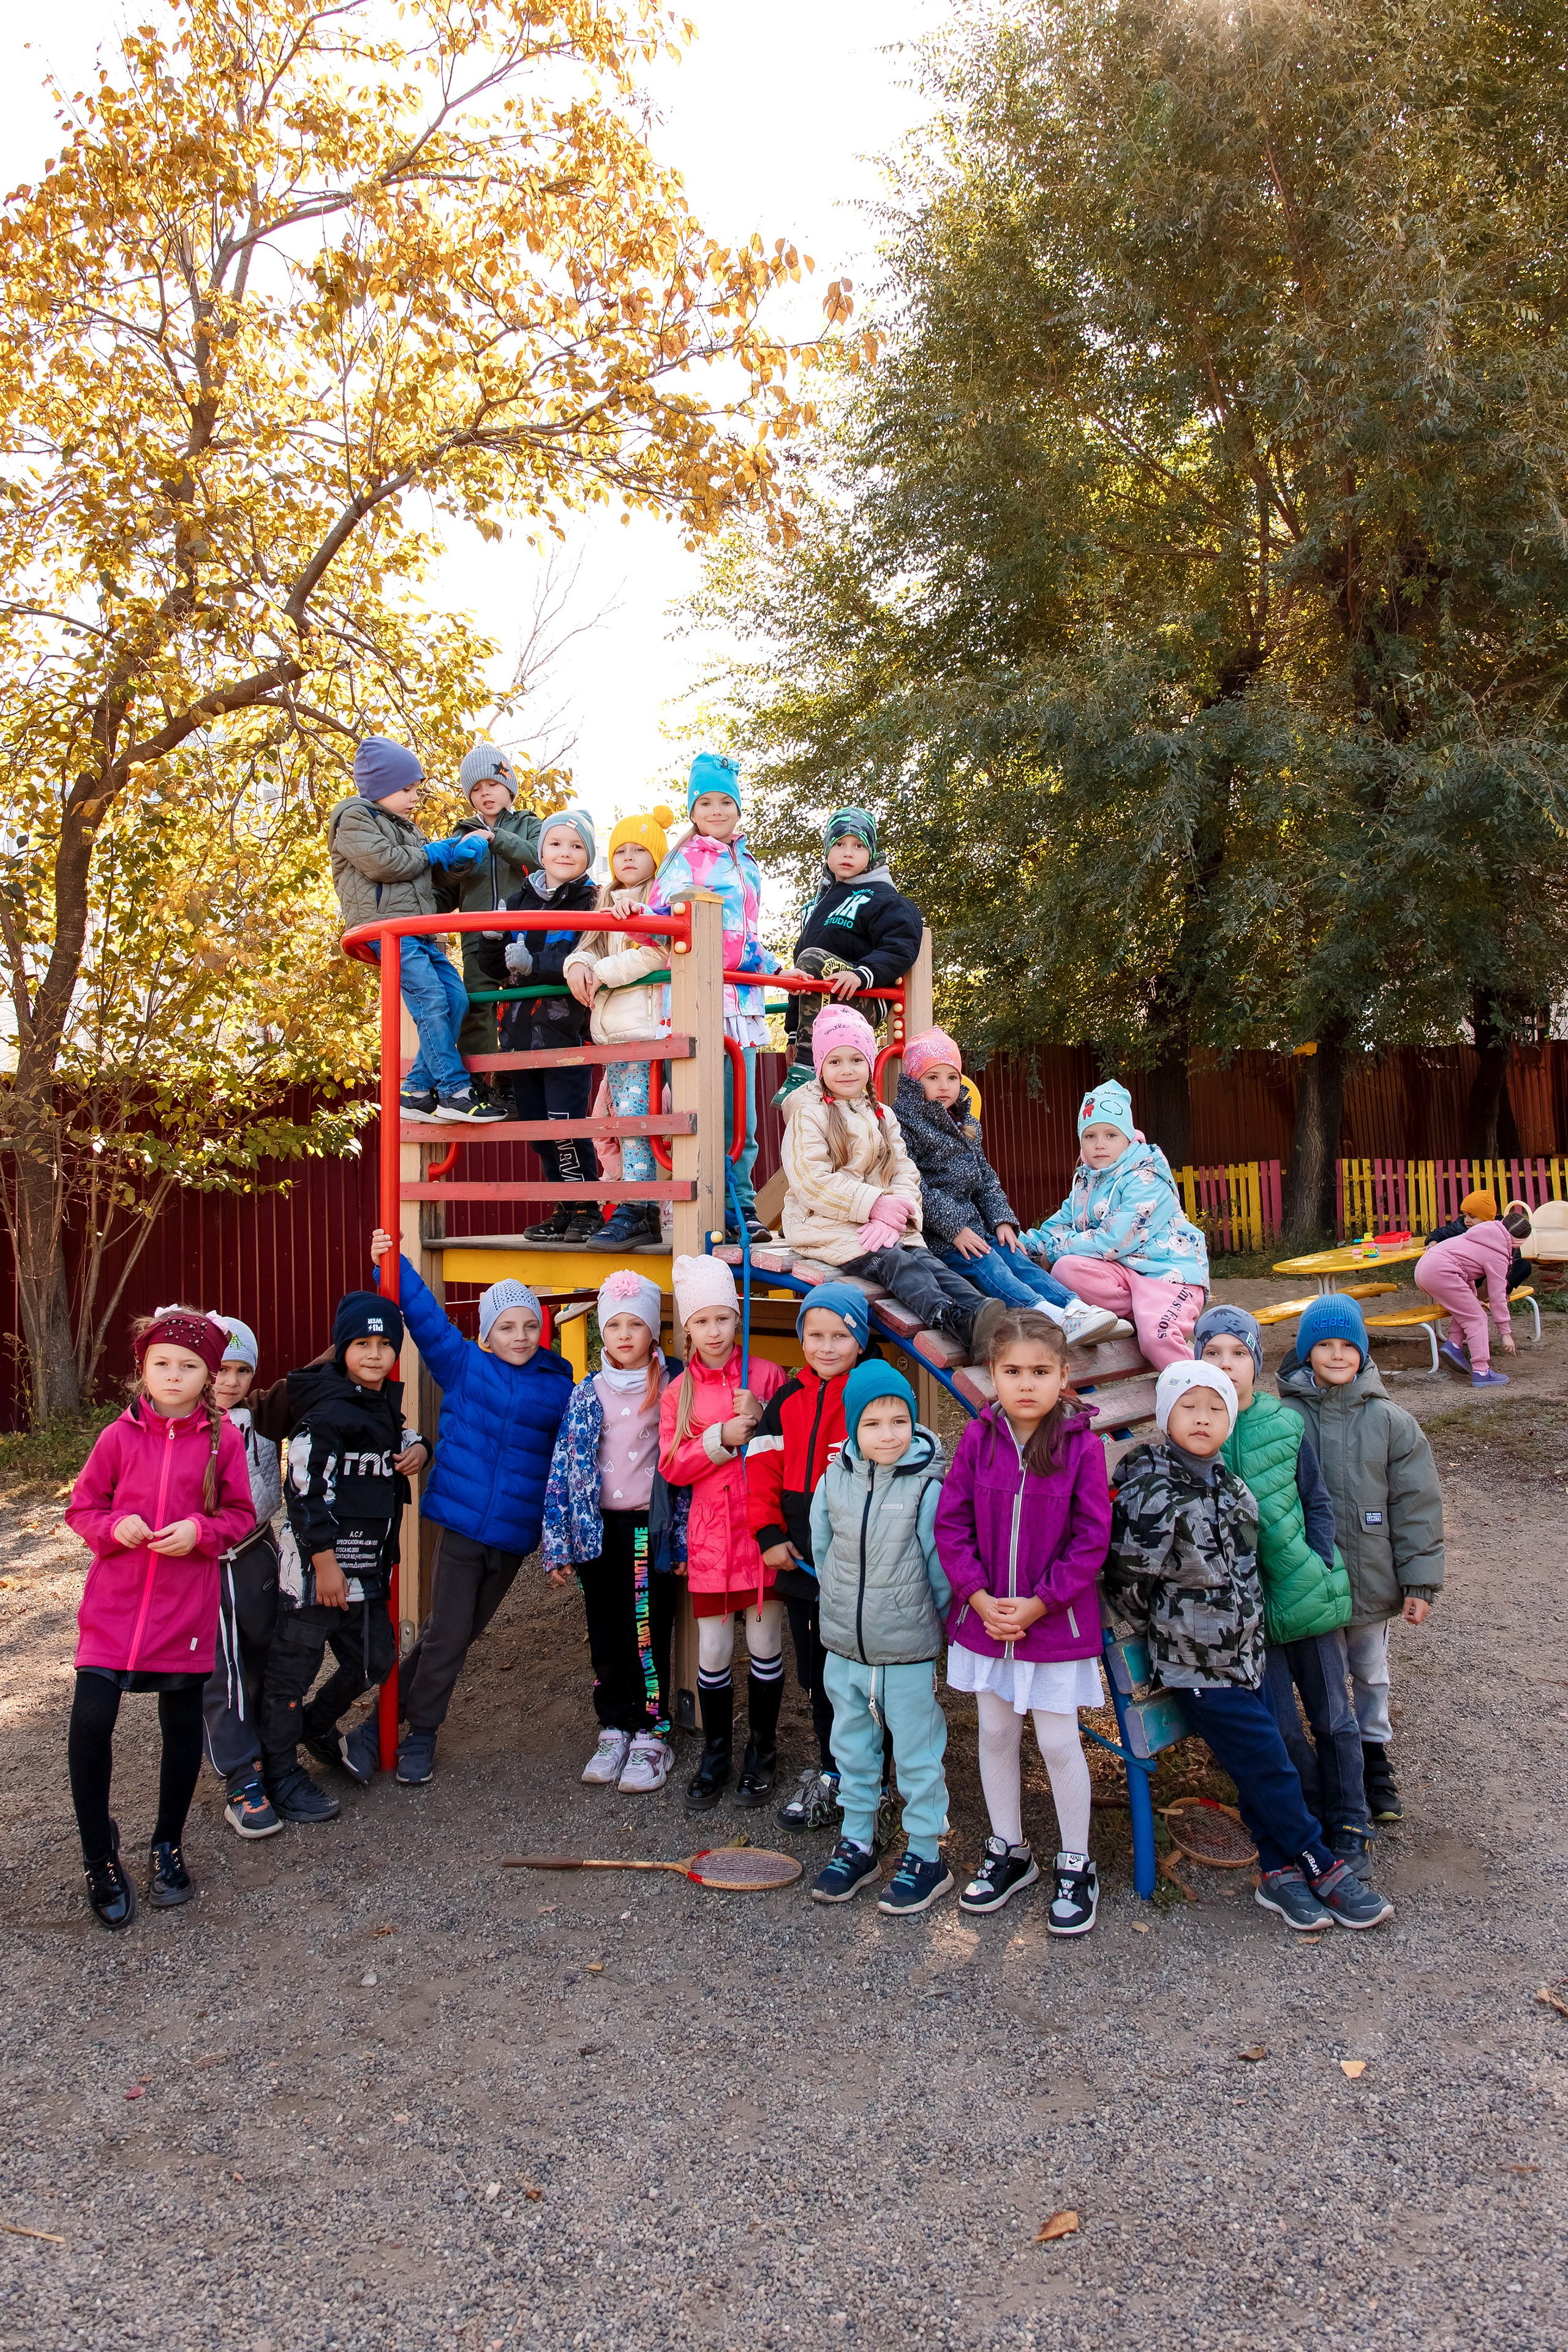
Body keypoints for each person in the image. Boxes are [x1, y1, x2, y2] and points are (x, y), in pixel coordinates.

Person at [1104, 1362, 1393, 1932]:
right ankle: (1322, 1863)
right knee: (1271, 1764)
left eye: (1216, 1409)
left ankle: (1277, 1872)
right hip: (1196, 1666)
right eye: (1189, 1408)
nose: (1204, 1419)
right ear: (1166, 1416)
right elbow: (1129, 1581)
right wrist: (1176, 1633)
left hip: (1247, 1653)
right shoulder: (1152, 1492)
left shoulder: (1231, 1486)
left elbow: (1248, 1566)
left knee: (1261, 1763)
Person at [65, 1308, 253, 1929]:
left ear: (209, 1376)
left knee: (181, 1731)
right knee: (91, 1724)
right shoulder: (117, 1437)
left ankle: (166, 1844)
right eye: (163, 1364)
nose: (174, 1377)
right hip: (114, 1612)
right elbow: (83, 1509)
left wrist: (200, 1531)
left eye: (190, 1367)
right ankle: (99, 1856)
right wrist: (113, 1528)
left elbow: (239, 1517)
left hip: (184, 1613)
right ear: (143, 1369)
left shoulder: (221, 1440)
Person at [369, 1232, 573, 1786]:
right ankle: (419, 1733)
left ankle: (382, 1721)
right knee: (449, 1634)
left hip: (510, 1539)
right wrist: (392, 1262)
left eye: (531, 1326)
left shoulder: (559, 1389)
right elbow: (426, 1318)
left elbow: (574, 1459)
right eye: (507, 1327)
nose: (521, 1336)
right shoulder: (463, 1366)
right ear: (485, 1335)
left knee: (451, 1633)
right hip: (461, 1527)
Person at [935, 1310, 1111, 1935]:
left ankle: (1075, 1861)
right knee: (995, 1733)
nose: (1026, 1384)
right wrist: (977, 1597)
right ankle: (1008, 1849)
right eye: (1012, 1372)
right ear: (992, 1375)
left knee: (1059, 1741)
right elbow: (951, 1526)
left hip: (1051, 1624)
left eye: (1040, 1372)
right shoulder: (978, 1440)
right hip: (986, 1620)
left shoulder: (1080, 1446)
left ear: (1064, 1375)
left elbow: (1091, 1541)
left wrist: (1039, 1604)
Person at [1193, 1305, 1371, 1879]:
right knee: (1282, 1730)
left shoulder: (1286, 1422)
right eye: (1212, 1353)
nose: (1227, 1365)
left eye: (1238, 1354)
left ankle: (1351, 1821)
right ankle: (1311, 1820)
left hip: (1306, 1595)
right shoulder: (1195, 1429)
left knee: (1335, 1718)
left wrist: (1320, 1561)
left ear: (1256, 1362)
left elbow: (1316, 1501)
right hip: (1248, 1618)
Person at [1276, 1294, 1444, 1826]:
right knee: (1324, 1678)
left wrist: (1419, 1582)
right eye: (1324, 1345)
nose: (1337, 1354)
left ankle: (1374, 1756)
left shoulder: (1391, 1422)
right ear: (1306, 1354)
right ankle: (1335, 1760)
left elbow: (1416, 1504)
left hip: (1371, 1576)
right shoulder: (1285, 1417)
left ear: (1362, 1350)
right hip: (1312, 1580)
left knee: (1370, 1671)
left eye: (1348, 1344)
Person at [258, 1291, 420, 1825]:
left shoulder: (378, 1401)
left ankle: (316, 1723)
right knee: (290, 1676)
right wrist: (324, 1561)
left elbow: (395, 1441)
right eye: (362, 1344)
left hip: (366, 1569)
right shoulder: (326, 1410)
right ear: (341, 1348)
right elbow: (303, 1487)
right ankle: (279, 1775)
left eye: (385, 1344)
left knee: (375, 1659)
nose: (375, 1354)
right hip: (318, 1574)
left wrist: (419, 1448)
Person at [780, 1005, 1007, 1363]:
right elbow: (813, 1181)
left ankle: (989, 1320)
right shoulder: (809, 1115)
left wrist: (894, 1213)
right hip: (827, 1224)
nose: (846, 1070)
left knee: (929, 1263)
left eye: (856, 1059)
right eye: (835, 1061)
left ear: (869, 1062)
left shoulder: (882, 1114)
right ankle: (952, 1320)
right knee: (896, 1264)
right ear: (820, 1066)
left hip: (885, 1223)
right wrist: (873, 1205)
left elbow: (905, 1171)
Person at [808, 1363, 954, 1917]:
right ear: (853, 1428)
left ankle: (925, 1853)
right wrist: (842, 1611)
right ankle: (857, 1842)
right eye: (873, 1423)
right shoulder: (833, 1481)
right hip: (845, 1648)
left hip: (908, 1649)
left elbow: (939, 1571)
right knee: (852, 1749)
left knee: (917, 1753)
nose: (888, 1434)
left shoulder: (926, 1485)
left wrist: (925, 1623)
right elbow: (823, 1553)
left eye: (899, 1420)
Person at [657, 1253, 788, 1810]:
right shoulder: (677, 1393)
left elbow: (787, 1447)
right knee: (712, 1649)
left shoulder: (765, 1375)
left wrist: (762, 1415)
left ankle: (761, 1751)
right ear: (687, 1326)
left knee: (764, 1642)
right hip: (711, 1539)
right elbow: (671, 1465)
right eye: (703, 1321)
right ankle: (716, 1753)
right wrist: (723, 1437)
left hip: (761, 1532)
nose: (715, 1332)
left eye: (724, 1319)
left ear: (739, 1319)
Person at [894, 1029, 1121, 1346]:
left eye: (952, 1077)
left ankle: (1075, 1307)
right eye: (933, 1077)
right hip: (940, 1237)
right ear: (914, 1082)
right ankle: (1048, 1318)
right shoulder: (904, 1125)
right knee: (991, 1267)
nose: (945, 1086)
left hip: (980, 1228)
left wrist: (1002, 1219)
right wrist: (955, 1228)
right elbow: (913, 1186)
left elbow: (986, 1179)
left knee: (1015, 1255)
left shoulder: (966, 1124)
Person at [542, 1270, 679, 1793]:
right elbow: (564, 1468)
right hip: (595, 1529)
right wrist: (557, 1542)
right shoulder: (586, 1393)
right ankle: (615, 1725)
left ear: (653, 1332)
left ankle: (651, 1732)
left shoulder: (670, 1387)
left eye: (635, 1325)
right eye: (614, 1325)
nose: (624, 1335)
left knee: (644, 1629)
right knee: (605, 1627)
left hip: (647, 1527)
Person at [745, 1283, 874, 1832]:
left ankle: (873, 1776)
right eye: (815, 1335)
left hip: (858, 1564)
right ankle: (833, 1772)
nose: (826, 1347)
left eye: (840, 1336)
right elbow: (760, 1467)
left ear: (860, 1340)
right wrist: (769, 1534)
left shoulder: (869, 1394)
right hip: (799, 1561)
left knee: (863, 1679)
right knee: (818, 1677)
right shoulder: (788, 1397)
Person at [328, 734, 504, 1124]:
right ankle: (455, 1091)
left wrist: (458, 860)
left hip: (419, 931)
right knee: (430, 999)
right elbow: (384, 864)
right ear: (381, 787)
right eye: (406, 789)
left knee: (456, 999)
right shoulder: (354, 816)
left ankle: (416, 1091)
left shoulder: (409, 830)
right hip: (386, 931)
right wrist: (433, 852)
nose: (414, 797)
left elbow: (433, 880)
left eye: (417, 789)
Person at [645, 753, 778, 1243]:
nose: (717, 810)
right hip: (702, 998)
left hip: (741, 1001)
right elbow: (661, 919)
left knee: (743, 1115)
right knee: (711, 1112)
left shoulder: (746, 861)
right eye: (706, 802)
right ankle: (720, 1210)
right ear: (693, 810)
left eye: (727, 801)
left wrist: (768, 965)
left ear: (739, 809)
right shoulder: (689, 857)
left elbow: (745, 933)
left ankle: (743, 1206)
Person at [473, 805, 602, 1242]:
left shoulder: (592, 900)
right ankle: (564, 1207)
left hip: (563, 1031)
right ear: (541, 849)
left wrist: (537, 965)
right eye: (555, 844)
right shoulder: (520, 899)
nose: (565, 853)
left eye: (576, 846)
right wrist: (490, 940)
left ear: (589, 856)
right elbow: (496, 969)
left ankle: (588, 1205)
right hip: (518, 1036)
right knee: (537, 1127)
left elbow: (584, 958)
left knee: (564, 1124)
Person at [1021, 1080, 1208, 1369]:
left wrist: (1056, 1248)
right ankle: (1137, 1313)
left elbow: (1116, 1238)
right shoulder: (1088, 1182)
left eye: (1111, 1134)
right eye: (1090, 1136)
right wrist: (1025, 1246)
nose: (1100, 1144)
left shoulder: (1147, 1177)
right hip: (1125, 1276)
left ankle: (1198, 1388)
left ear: (1128, 1138)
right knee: (1066, 1269)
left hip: (1166, 1275)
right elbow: (1058, 1226)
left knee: (1156, 1339)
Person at [563, 804, 678, 1252]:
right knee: (619, 1122)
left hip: (649, 1030)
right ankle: (637, 1204)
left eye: (639, 850)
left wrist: (602, 971)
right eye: (620, 851)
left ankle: (644, 1205)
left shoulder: (660, 899)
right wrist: (578, 966)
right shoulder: (606, 901)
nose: (628, 858)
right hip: (617, 1035)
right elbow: (587, 947)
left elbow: (656, 955)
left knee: (644, 1123)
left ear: (657, 858)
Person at [201, 1317, 287, 1841]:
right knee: (222, 1669)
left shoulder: (258, 1415)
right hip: (209, 1563)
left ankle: (265, 1754)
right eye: (218, 1370)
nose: (229, 1382)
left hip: (258, 1549)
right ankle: (241, 1777)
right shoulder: (183, 1425)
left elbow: (326, 1372)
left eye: (241, 1371)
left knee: (265, 1656)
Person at [777, 807, 924, 1103]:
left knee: (814, 958)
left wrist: (861, 974)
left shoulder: (885, 898)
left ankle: (807, 1068)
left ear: (871, 853)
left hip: (865, 997)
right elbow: (801, 975)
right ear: (827, 850)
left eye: (858, 846)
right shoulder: (819, 905)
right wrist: (793, 1033)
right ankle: (806, 1063)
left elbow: (902, 945)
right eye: (839, 844)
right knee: (806, 966)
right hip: (824, 998)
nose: (848, 853)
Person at [434, 742, 544, 1080]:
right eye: (477, 789)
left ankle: (517, 1080)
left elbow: (540, 858)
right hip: (477, 934)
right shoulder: (462, 831)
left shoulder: (528, 824)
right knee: (477, 1005)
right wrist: (457, 864)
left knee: (523, 1003)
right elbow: (447, 889)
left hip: (522, 932)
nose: (485, 794)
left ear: (509, 787)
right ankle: (481, 1083)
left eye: (493, 785)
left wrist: (497, 839)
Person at [1413, 1197, 1532, 1385]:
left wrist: (1474, 1298)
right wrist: (1505, 1333)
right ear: (1517, 1242)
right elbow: (1498, 1294)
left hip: (1425, 1268)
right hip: (1441, 1272)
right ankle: (1482, 1371)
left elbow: (1464, 1271)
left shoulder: (1483, 1233)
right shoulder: (1498, 1254)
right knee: (1477, 1318)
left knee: (1469, 1309)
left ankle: (1453, 1345)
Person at [1423, 1188, 1529, 1291]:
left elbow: (1514, 1255)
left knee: (1523, 1266)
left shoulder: (1501, 1229)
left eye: (1472, 1217)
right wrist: (1433, 1241)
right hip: (1473, 1272)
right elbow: (1439, 1233)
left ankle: (1499, 1291)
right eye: (1465, 1215)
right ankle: (1477, 1292)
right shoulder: (1460, 1226)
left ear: (1488, 1218)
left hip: (1496, 1269)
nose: (1467, 1220)